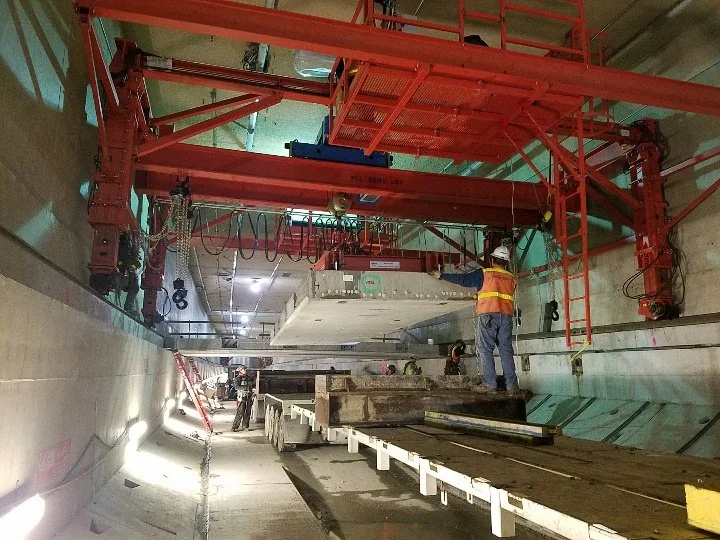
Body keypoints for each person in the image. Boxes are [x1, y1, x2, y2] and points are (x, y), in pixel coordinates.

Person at [433, 246, 521, 394]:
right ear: (506, 262)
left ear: (492, 259)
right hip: (505, 317)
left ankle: (490, 384)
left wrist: (442, 275)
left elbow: (463, 279)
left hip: (488, 315)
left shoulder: (485, 274)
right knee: (506, 351)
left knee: (485, 349)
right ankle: (512, 386)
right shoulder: (511, 278)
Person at [231, 365, 255, 431]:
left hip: (249, 397)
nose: (245, 370)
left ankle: (245, 426)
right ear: (240, 371)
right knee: (240, 412)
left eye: (245, 369)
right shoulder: (237, 379)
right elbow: (236, 387)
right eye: (244, 369)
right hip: (242, 397)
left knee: (248, 412)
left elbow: (253, 384)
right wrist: (245, 388)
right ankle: (234, 426)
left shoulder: (249, 378)